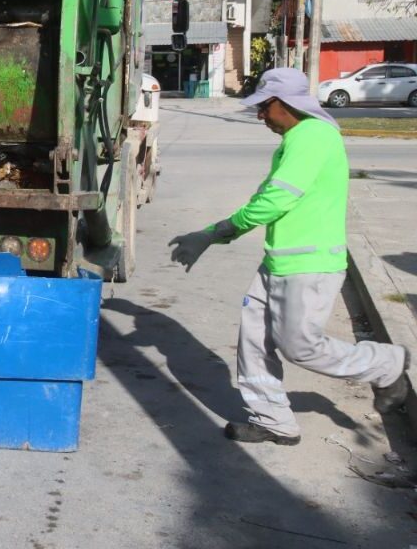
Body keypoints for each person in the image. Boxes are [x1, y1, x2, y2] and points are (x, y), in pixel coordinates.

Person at [169, 67, 410, 446]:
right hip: (280, 261)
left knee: (300, 347)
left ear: (288, 103)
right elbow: (269, 197)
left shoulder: (313, 137)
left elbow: (274, 201)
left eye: (265, 107)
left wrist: (215, 233)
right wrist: (211, 234)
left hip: (309, 265)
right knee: (254, 342)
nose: (261, 115)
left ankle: (385, 364)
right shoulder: (297, 139)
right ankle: (273, 420)